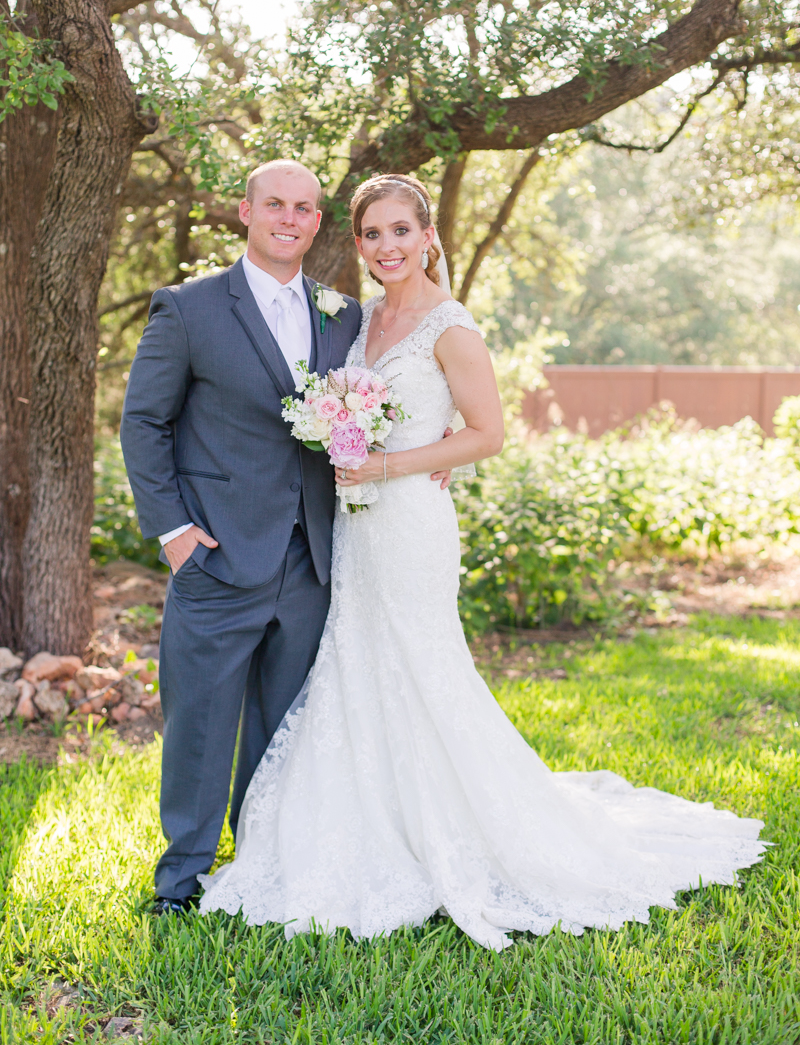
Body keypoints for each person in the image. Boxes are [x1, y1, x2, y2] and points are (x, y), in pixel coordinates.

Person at [199, 173, 766, 951]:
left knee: (423, 668)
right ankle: (374, 825)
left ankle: (459, 833)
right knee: (358, 663)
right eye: (372, 234)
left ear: (429, 236)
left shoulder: (449, 325)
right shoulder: (358, 321)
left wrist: (389, 467)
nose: (387, 246)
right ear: (357, 242)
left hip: (409, 524)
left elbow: (488, 432)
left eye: (402, 231)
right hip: (356, 525)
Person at [122, 160, 372, 913]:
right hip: (217, 555)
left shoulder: (342, 315)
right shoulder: (188, 309)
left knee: (283, 725)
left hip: (310, 559)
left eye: (303, 208)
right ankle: (182, 882)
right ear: (246, 212)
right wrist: (174, 533)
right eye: (275, 205)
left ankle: (260, 870)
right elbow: (144, 422)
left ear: (317, 222)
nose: (288, 218)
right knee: (201, 725)